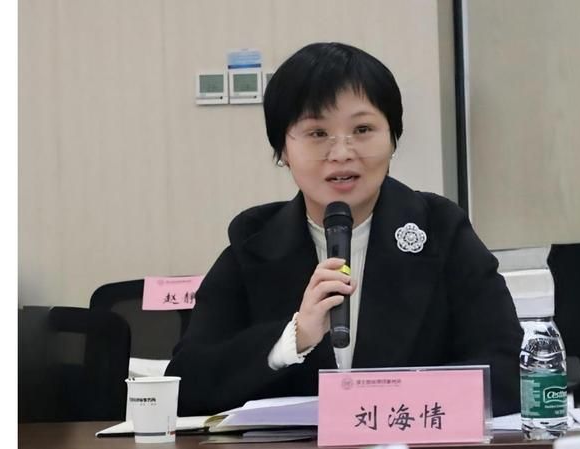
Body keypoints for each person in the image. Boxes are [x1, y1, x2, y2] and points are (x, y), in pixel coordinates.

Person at [165, 42, 522, 417]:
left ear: (393, 138)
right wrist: (292, 339)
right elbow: (187, 385)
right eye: (317, 133)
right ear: (283, 149)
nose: (341, 153)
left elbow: (509, 370)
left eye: (362, 129)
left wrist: (381, 407)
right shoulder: (253, 241)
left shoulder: (441, 229)